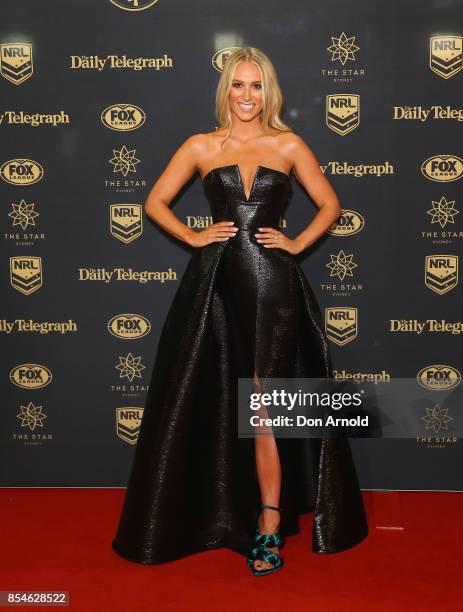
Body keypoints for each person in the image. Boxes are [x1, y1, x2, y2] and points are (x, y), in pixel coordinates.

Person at [111, 46, 368, 576]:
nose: (247, 95)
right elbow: (154, 202)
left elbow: (332, 205)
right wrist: (193, 235)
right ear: (225, 89)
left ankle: (269, 521)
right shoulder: (201, 146)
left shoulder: (289, 144)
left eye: (256, 86)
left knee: (266, 401)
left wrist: (296, 245)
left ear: (267, 91)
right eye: (237, 85)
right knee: (210, 394)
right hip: (215, 287)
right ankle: (218, 511)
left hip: (274, 287)